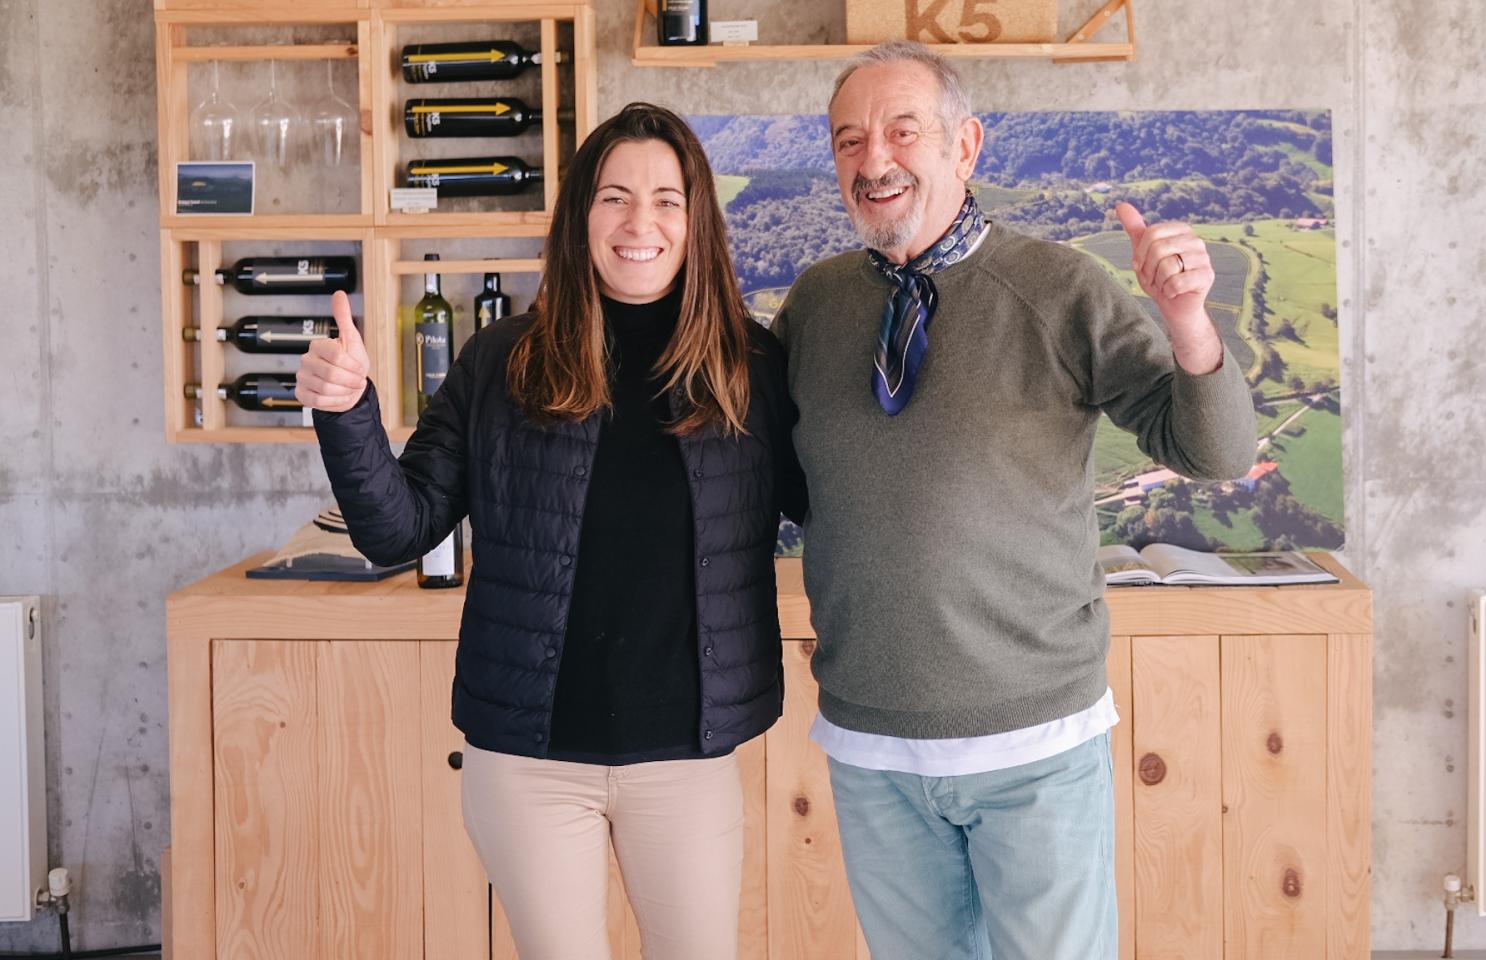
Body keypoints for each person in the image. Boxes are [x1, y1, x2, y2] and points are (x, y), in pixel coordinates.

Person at [770, 42, 1258, 959]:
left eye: (901, 131)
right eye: (848, 141)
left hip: (1034, 740)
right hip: (871, 741)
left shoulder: (1059, 288)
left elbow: (1215, 449)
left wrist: (1188, 319)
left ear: (965, 147)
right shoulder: (818, 304)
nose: (873, 160)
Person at [296, 102, 806, 960]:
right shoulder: (502, 361)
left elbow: (833, 502)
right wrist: (348, 414)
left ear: (696, 220)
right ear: (580, 217)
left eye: (668, 200)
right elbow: (400, 529)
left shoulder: (749, 367)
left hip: (685, 756)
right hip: (529, 766)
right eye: (614, 197)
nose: (641, 222)